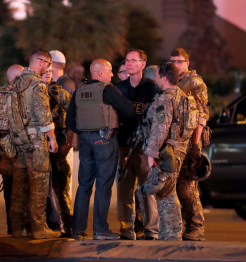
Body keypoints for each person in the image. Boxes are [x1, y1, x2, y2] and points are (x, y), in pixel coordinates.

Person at [66, 59, 135, 240]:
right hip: (105, 140)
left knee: (84, 186)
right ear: (102, 72)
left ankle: (78, 230)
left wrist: (85, 132)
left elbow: (70, 121)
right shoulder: (108, 89)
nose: (112, 75)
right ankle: (100, 230)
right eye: (110, 71)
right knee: (103, 185)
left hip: (85, 141)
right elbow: (128, 111)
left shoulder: (79, 90)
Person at [10, 48, 60, 239]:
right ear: (41, 62)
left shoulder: (17, 82)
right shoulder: (37, 84)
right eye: (48, 65)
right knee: (39, 184)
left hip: (18, 140)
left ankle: (16, 228)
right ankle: (39, 228)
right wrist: (52, 138)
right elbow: (43, 114)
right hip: (35, 141)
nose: (48, 69)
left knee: (19, 185)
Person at [142, 61, 193, 241]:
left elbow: (160, 129)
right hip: (179, 150)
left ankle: (171, 235)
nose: (155, 80)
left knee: (165, 194)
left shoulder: (164, 99)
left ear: (164, 79)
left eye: (156, 77)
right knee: (169, 191)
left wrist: (151, 156)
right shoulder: (183, 97)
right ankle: (171, 233)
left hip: (167, 152)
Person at [115, 49, 160, 241]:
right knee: (124, 191)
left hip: (144, 147)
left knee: (147, 190)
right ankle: (127, 229)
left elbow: (159, 119)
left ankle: (152, 230)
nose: (129, 64)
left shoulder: (151, 88)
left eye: (134, 60)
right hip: (123, 146)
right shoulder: (118, 88)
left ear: (142, 64)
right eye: (127, 61)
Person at [169, 48, 210, 241]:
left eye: (179, 61)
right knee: (176, 186)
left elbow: (202, 116)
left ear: (187, 62)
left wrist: (195, 146)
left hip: (191, 141)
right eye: (172, 62)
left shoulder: (195, 83)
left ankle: (196, 227)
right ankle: (186, 227)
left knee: (188, 188)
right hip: (177, 141)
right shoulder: (176, 81)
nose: (175, 65)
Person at [0, 64, 24, 235]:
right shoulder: (11, 97)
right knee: (14, 193)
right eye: (20, 77)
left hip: (12, 153)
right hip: (15, 154)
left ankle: (16, 230)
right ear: (11, 79)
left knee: (14, 193)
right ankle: (17, 230)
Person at [41, 65, 73, 237]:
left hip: (58, 147)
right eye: (44, 70)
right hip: (38, 149)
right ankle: (46, 226)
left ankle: (69, 226)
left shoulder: (61, 94)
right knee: (40, 190)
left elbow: (74, 119)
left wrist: (67, 145)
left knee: (62, 189)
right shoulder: (32, 93)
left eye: (50, 71)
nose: (47, 74)